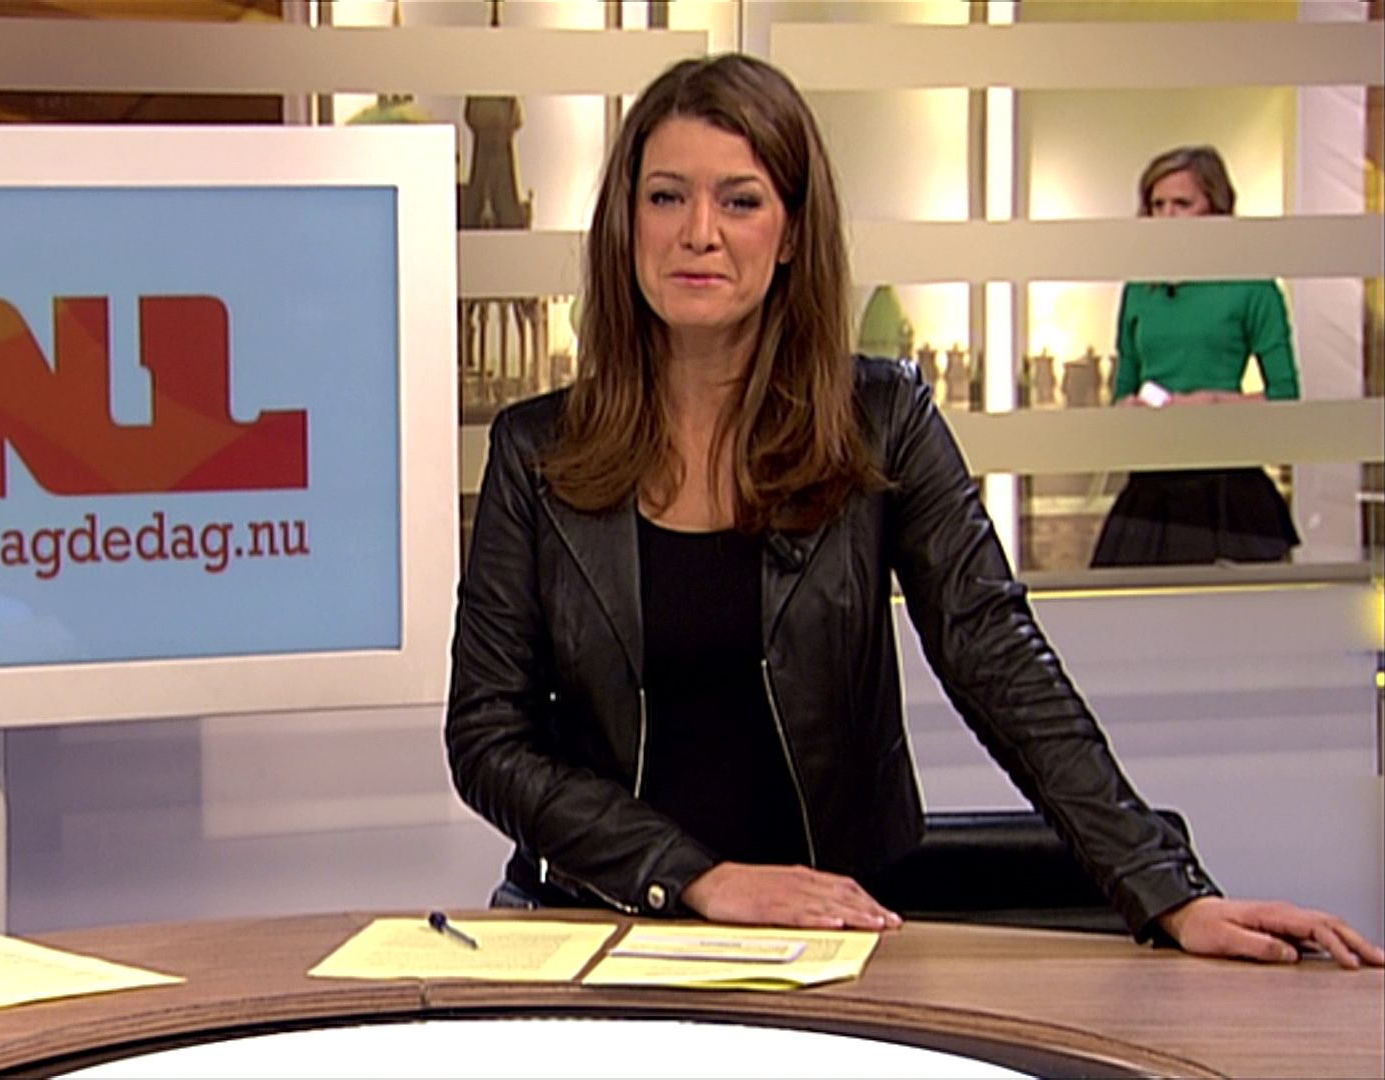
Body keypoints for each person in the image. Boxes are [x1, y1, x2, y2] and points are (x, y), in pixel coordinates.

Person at [444, 54, 1381, 968]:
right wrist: (692, 878)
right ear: (625, 222)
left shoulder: (881, 421)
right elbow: (487, 737)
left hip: (831, 934)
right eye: (665, 196)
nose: (699, 232)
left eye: (740, 200)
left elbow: (995, 656)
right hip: (597, 928)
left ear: (793, 232)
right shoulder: (536, 453)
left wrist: (1169, 890)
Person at [1090, 145, 1302, 566]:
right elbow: (1123, 389)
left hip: (1226, 486)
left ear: (1215, 209)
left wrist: (1212, 405)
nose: (1167, 216)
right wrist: (1129, 409)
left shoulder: (1252, 287)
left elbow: (1285, 396)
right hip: (1153, 486)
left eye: (1182, 204)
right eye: (1157, 205)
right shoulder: (1140, 290)